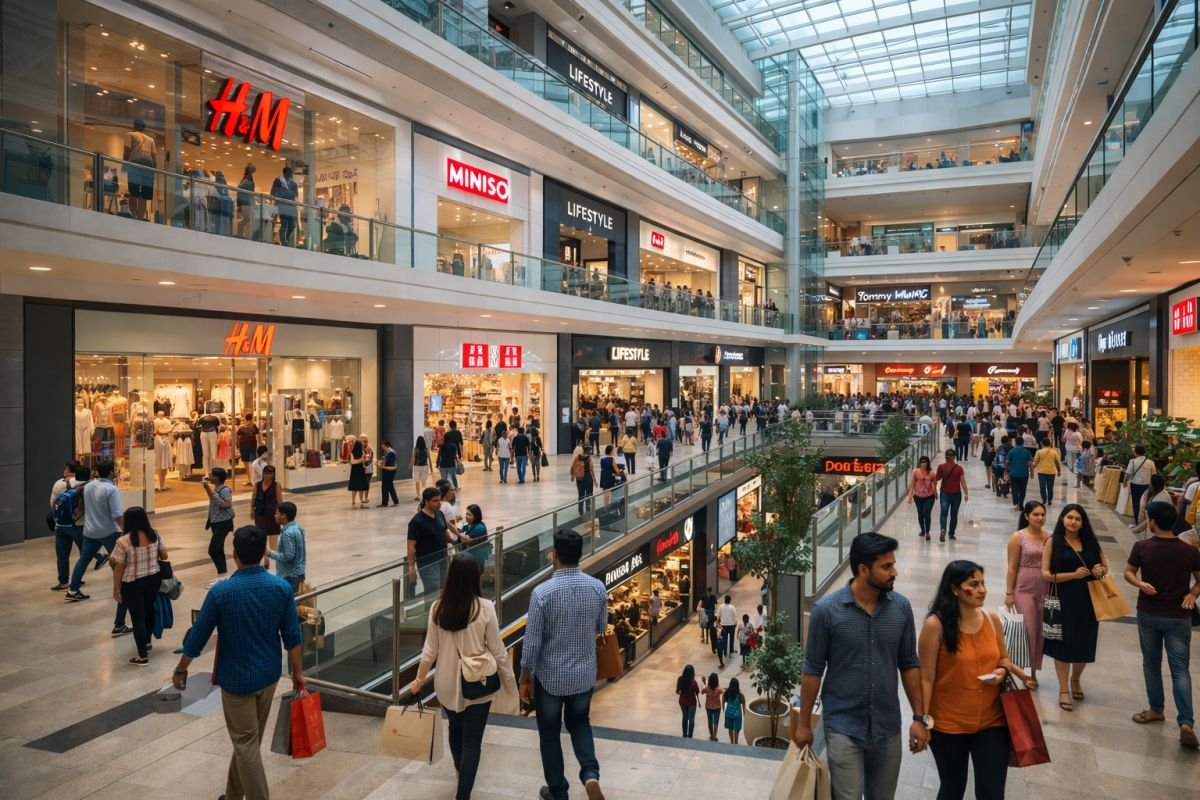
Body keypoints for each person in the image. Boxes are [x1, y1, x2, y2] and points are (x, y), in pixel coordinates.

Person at [793, 533, 929, 800]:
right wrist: (803, 724)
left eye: (893, 564)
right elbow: (812, 669)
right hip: (843, 725)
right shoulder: (827, 611)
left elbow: (909, 664)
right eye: (887, 567)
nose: (895, 572)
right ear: (864, 570)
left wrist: (919, 718)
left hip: (887, 727)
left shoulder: (901, 608)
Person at [172, 526, 305, 800]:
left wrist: (181, 668)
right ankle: (233, 795)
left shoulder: (222, 593)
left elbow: (197, 638)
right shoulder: (281, 588)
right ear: (262, 554)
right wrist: (298, 674)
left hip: (236, 681)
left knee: (245, 743)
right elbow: (293, 636)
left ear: (234, 554)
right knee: (249, 742)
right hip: (269, 675)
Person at [919, 560, 1037, 800]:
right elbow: (926, 678)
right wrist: (921, 720)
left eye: (982, 583)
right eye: (974, 584)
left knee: (992, 792)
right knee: (952, 787)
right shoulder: (935, 625)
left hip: (992, 722)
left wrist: (1002, 673)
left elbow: (1003, 658)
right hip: (948, 725)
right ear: (954, 589)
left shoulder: (991, 619)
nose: (982, 589)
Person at [410, 553, 517, 800]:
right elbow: (498, 650)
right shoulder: (485, 607)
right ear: (474, 578)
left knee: (456, 731)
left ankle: (461, 774)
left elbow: (429, 650)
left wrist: (418, 680)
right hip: (478, 682)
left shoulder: (438, 607)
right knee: (473, 741)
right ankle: (463, 793)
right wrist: (509, 681)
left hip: (446, 684)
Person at [519, 530, 608, 800]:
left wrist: (525, 677)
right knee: (580, 723)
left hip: (551, 678)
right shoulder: (597, 588)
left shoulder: (541, 593)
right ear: (580, 554)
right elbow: (601, 627)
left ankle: (558, 790)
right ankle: (590, 774)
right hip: (583, 675)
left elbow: (532, 642)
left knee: (549, 733)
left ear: (554, 555)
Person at [1124, 501, 1200, 748]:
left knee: (1151, 663)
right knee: (1180, 669)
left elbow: (1129, 572)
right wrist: (1192, 594)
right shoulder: (1189, 550)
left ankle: (1156, 709)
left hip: (1148, 613)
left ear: (1153, 521)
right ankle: (1186, 721)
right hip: (1179, 617)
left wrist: (1139, 584)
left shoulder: (1142, 546)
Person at [1041, 504, 1108, 711]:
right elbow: (1045, 574)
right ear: (1062, 519)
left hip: (1089, 601)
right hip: (1063, 599)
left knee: (1084, 643)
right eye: (1069, 517)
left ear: (1082, 522)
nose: (1072, 521)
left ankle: (1076, 679)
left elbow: (1105, 566)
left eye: (1077, 519)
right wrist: (1072, 575)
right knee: (1063, 644)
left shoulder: (1090, 542)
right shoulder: (1053, 542)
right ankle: (1063, 689)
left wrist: (1099, 569)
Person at [110, 507, 168, 666]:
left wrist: (116, 588)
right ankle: (147, 642)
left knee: (137, 618)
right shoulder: (154, 534)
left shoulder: (123, 541)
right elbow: (165, 555)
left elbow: (119, 567)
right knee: (149, 611)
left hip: (133, 582)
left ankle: (142, 657)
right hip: (154, 578)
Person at [66, 461, 123, 602]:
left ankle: (73, 589)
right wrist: (125, 530)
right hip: (109, 532)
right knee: (117, 561)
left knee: (83, 560)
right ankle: (122, 588)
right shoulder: (111, 489)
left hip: (90, 531)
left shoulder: (89, 485)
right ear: (111, 472)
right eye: (115, 470)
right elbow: (117, 514)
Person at [1005, 501, 1048, 678]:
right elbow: (1012, 567)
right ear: (1026, 516)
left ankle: (1034, 671)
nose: (1040, 518)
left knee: (1040, 631)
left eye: (1042, 514)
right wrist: (1009, 592)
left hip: (1044, 587)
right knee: (1028, 629)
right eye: (1036, 514)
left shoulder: (1050, 537)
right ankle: (1022, 671)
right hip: (1023, 587)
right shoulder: (1018, 537)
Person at [407, 486, 464, 593]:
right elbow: (411, 546)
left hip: (443, 558)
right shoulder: (417, 521)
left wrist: (456, 541)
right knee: (433, 591)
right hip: (428, 562)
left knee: (444, 588)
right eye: (435, 501)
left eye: (439, 500)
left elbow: (444, 531)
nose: (439, 503)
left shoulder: (439, 514)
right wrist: (411, 567)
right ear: (426, 501)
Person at [51, 463, 88, 591]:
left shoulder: (59, 484)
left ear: (70, 471)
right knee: (85, 554)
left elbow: (53, 504)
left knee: (62, 555)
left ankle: (63, 582)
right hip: (80, 524)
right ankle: (77, 578)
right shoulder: (88, 486)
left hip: (61, 524)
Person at [202, 467, 235, 577]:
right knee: (219, 549)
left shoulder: (224, 490)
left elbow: (227, 504)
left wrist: (208, 489)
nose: (209, 476)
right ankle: (222, 575)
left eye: (212, 474)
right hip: (216, 523)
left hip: (223, 523)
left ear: (217, 477)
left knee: (213, 550)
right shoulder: (216, 489)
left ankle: (222, 575)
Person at [267, 501, 307, 592]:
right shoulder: (298, 527)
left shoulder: (287, 534)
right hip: (298, 573)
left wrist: (270, 553)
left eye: (277, 513)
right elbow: (302, 552)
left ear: (284, 516)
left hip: (289, 576)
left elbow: (288, 556)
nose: (275, 515)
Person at [123, 118, 157, 221]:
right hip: (148, 166)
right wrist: (154, 170)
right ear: (144, 128)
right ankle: (141, 217)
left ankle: (133, 215)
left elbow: (127, 150)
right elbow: (154, 157)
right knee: (144, 194)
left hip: (135, 164)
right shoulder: (151, 140)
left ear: (134, 126)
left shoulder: (130, 135)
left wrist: (124, 163)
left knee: (134, 191)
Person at [251, 464, 282, 564]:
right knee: (261, 535)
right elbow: (253, 498)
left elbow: (280, 501)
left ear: (273, 474)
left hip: (272, 513)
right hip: (260, 513)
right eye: (265, 473)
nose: (266, 475)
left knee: (273, 536)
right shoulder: (257, 485)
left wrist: (280, 514)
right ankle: (265, 556)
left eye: (269, 473)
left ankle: (272, 555)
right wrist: (251, 510)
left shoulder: (276, 485)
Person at [935, 450, 968, 542]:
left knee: (943, 513)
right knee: (954, 515)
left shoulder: (941, 466)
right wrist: (966, 493)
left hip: (945, 493)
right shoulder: (959, 468)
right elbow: (963, 482)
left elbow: (937, 478)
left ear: (946, 456)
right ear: (954, 457)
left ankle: (942, 529)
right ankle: (951, 533)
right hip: (956, 494)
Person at [907, 454, 937, 540]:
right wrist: (910, 496)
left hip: (929, 496)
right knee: (920, 515)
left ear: (928, 463)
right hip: (918, 496)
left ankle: (927, 532)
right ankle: (922, 530)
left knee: (927, 514)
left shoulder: (932, 473)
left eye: (925, 462)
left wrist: (936, 494)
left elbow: (934, 484)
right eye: (922, 462)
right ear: (920, 463)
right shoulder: (915, 472)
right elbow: (912, 483)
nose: (923, 464)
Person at [1126, 445, 1157, 525]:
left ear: (1135, 453)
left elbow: (1128, 474)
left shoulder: (1132, 461)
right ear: (1144, 453)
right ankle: (1145, 521)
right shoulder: (1151, 462)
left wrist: (1125, 481)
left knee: (1136, 502)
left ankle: (1138, 521)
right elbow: (1154, 474)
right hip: (1147, 485)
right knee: (1145, 502)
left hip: (1135, 484)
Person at [270, 166, 298, 246]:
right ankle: (283, 241)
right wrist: (287, 194)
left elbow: (295, 195)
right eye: (290, 173)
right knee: (284, 223)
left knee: (292, 225)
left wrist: (285, 193)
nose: (291, 174)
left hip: (291, 206)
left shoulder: (294, 184)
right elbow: (273, 192)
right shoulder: (279, 180)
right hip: (282, 205)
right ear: (286, 173)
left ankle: (287, 238)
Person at [1005, 435, 1033, 510]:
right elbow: (1030, 463)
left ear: (1015, 443)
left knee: (1015, 489)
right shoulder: (1027, 451)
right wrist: (1032, 473)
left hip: (1013, 474)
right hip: (1024, 474)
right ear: (1023, 443)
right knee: (1023, 490)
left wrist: (1006, 470)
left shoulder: (1011, 451)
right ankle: (1021, 504)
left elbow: (1007, 462)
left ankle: (1015, 504)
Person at [460, 504, 491, 568]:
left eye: (469, 515)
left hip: (477, 559)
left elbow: (466, 540)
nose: (466, 516)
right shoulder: (466, 524)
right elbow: (462, 535)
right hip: (467, 557)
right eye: (466, 514)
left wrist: (460, 535)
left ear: (476, 516)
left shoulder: (480, 528)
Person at [1032, 439, 1061, 506]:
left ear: (1042, 444)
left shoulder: (1039, 452)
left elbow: (1035, 462)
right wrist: (1059, 471)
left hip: (1041, 472)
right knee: (1050, 487)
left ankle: (1044, 500)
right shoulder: (1054, 452)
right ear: (1050, 444)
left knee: (1042, 487)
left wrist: (1031, 468)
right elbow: (1057, 463)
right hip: (1051, 472)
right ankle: (1050, 500)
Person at [676, 664, 700, 738]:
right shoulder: (693, 682)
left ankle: (684, 733)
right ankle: (690, 735)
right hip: (692, 702)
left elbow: (677, 691)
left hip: (682, 702)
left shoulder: (680, 679)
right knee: (691, 718)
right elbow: (697, 691)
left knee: (685, 717)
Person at [571, 445, 595, 516]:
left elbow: (573, 466)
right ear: (588, 450)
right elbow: (592, 470)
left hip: (579, 477)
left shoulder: (577, 457)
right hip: (587, 476)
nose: (591, 451)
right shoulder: (589, 459)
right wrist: (595, 480)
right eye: (591, 450)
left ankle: (580, 510)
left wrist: (572, 475)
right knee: (588, 494)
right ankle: (588, 509)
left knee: (581, 494)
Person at [236, 415, 260, 486]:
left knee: (248, 464)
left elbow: (237, 437)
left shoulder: (242, 427)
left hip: (245, 446)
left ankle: (251, 480)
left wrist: (237, 445)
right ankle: (252, 480)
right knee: (251, 463)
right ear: (251, 419)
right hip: (250, 446)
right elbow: (258, 438)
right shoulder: (254, 427)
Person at [439, 421, 463, 489]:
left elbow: (440, 455)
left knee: (444, 477)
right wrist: (460, 457)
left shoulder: (443, 445)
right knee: (453, 475)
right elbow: (461, 443)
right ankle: (455, 487)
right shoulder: (458, 433)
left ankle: (445, 488)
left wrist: (438, 463)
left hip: (443, 463)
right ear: (456, 425)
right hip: (453, 458)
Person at [348, 437, 369, 508]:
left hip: (359, 470)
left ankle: (360, 499)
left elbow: (362, 462)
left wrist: (364, 461)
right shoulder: (352, 453)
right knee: (356, 486)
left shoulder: (362, 452)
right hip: (356, 470)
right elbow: (352, 462)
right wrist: (361, 459)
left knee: (361, 486)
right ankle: (353, 500)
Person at [723, 677, 746, 744]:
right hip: (737, 715)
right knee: (736, 729)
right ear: (738, 685)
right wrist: (745, 715)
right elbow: (744, 706)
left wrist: (723, 708)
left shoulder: (727, 693)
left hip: (728, 714)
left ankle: (731, 741)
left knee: (730, 729)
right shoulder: (741, 696)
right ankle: (736, 742)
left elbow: (723, 699)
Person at [377, 440, 399, 506]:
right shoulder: (387, 452)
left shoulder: (391, 453)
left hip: (389, 472)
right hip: (387, 471)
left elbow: (392, 466)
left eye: (383, 447)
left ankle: (392, 502)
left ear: (386, 446)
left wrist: (382, 467)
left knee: (389, 486)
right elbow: (385, 462)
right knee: (386, 486)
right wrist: (380, 463)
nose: (382, 448)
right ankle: (385, 502)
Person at [715, 595, 737, 661]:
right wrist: (735, 623)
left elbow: (718, 616)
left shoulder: (721, 607)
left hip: (723, 625)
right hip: (731, 625)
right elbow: (735, 616)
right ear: (730, 600)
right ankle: (731, 651)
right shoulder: (732, 607)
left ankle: (725, 651)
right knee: (731, 638)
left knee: (724, 639)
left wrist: (718, 624)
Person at [702, 673, 723, 741]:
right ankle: (714, 736)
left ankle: (711, 735)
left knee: (710, 721)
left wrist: (704, 683)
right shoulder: (718, 689)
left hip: (708, 707)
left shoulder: (707, 688)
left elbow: (702, 692)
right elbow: (722, 691)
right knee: (716, 722)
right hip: (717, 707)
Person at [410, 435, 431, 500]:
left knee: (417, 481)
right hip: (425, 466)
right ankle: (424, 495)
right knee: (423, 481)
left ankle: (418, 495)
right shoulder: (426, 449)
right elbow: (429, 458)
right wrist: (432, 468)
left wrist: (410, 465)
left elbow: (413, 458)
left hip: (417, 466)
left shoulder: (415, 449)